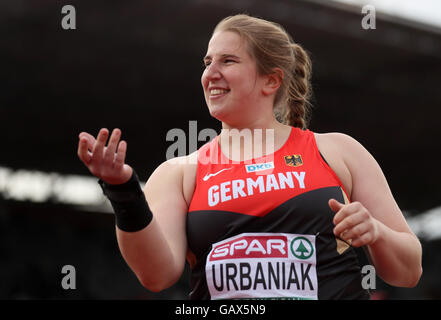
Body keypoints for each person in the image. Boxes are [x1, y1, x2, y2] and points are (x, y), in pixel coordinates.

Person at [77, 14, 422, 300]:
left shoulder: (338, 152)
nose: (210, 73)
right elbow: (156, 275)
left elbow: (408, 272)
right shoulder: (180, 172)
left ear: (270, 81)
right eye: (207, 62)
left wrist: (375, 231)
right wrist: (123, 190)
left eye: (227, 61)